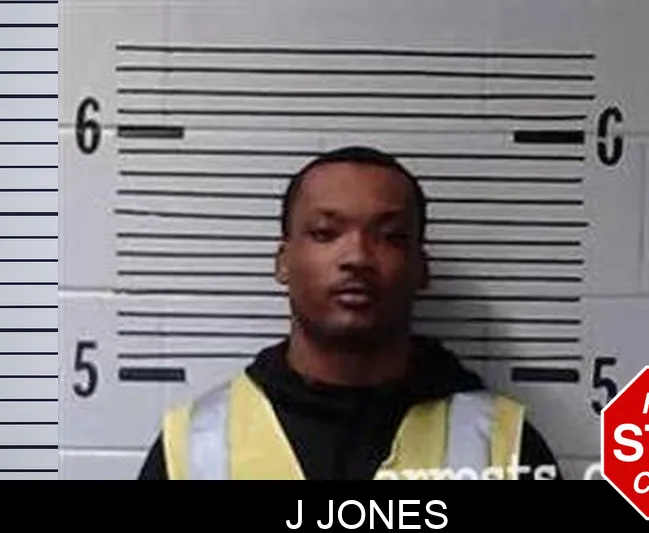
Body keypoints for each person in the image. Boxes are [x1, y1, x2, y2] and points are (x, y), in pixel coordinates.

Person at [137, 145, 562, 480]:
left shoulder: (503, 447)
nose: (357, 257)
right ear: (283, 261)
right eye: (325, 233)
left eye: (390, 236)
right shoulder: (195, 447)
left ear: (421, 268)